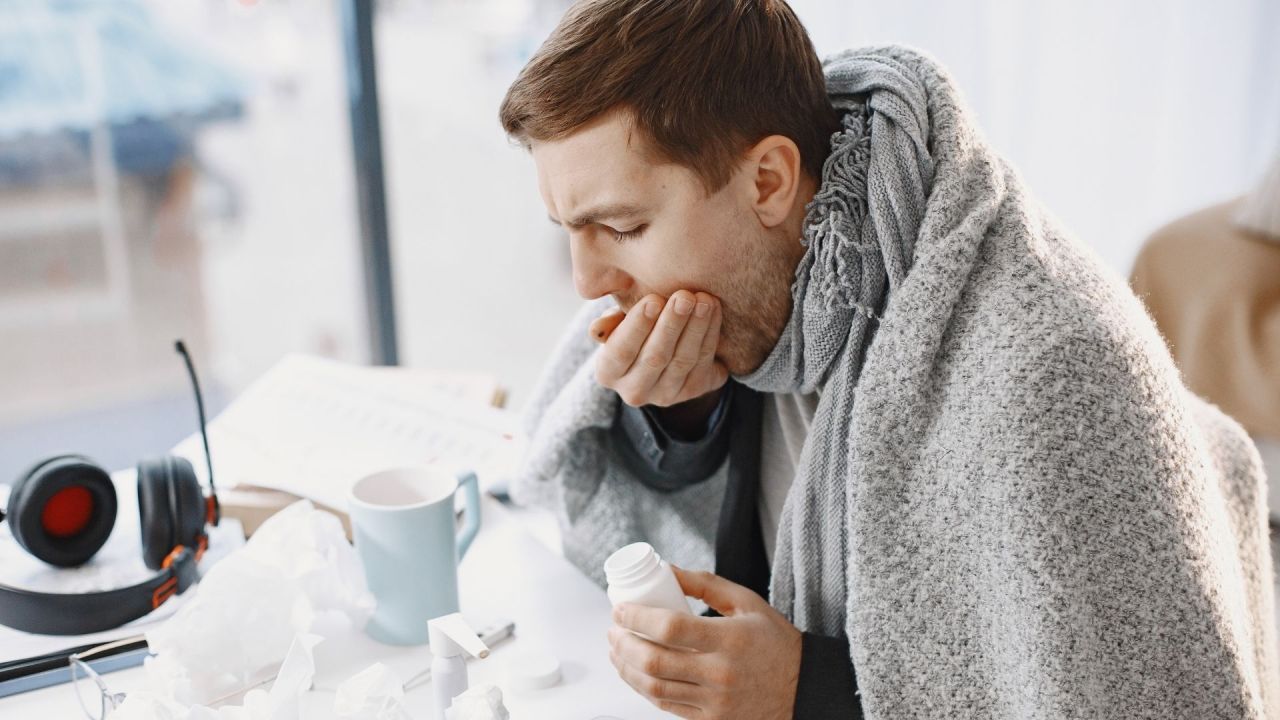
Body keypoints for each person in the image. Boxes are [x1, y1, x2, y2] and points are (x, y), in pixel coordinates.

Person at [499, 1, 1280, 718]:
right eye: (567, 228)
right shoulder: (762, 285)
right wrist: (688, 405)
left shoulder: (1042, 376)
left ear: (768, 180)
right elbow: (684, 513)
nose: (588, 283)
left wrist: (810, 689)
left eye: (624, 227)